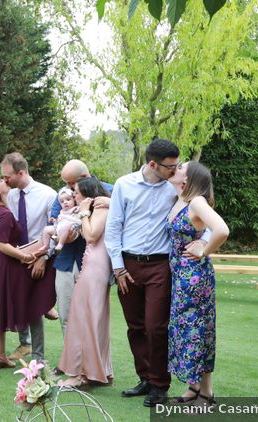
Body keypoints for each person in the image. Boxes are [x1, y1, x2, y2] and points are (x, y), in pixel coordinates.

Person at [105, 138, 180, 407]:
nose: (175, 170)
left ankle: (160, 384)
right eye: (171, 166)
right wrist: (118, 267)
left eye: (177, 165)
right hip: (128, 265)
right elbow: (113, 227)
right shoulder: (124, 185)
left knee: (156, 326)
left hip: (161, 265)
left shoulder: (175, 187)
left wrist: (204, 241)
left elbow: (199, 208)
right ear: (152, 164)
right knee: (135, 326)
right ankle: (146, 378)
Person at [166, 162, 229, 405]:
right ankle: (194, 388)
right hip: (181, 276)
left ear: (189, 177)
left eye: (181, 166)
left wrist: (204, 250)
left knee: (197, 331)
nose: (176, 167)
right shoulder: (181, 198)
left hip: (194, 277)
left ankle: (206, 393)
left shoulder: (196, 202)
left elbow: (221, 230)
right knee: (187, 330)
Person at [0, 175, 56, 368]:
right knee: (30, 297)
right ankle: (44, 310)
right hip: (6, 263)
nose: (5, 181)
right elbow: (1, 243)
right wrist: (25, 257)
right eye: (1, 181)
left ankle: (0, 355)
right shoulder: (4, 213)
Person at [57, 177, 113, 388]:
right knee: (94, 317)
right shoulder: (100, 206)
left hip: (95, 266)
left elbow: (91, 235)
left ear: (88, 195)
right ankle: (100, 372)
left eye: (77, 193)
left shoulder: (98, 208)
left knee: (83, 317)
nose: (74, 197)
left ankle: (80, 374)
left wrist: (82, 212)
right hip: (96, 263)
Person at [1, 152, 57, 361]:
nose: (4, 180)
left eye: (7, 176)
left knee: (35, 306)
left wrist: (43, 257)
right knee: (18, 301)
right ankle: (24, 344)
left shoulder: (48, 194)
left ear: (21, 172)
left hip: (40, 257)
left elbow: (55, 229)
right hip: (18, 255)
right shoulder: (13, 196)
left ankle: (38, 357)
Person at [51, 160, 113, 339]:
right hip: (67, 260)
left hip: (96, 263)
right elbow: (54, 220)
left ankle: (90, 362)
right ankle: (70, 362)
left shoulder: (111, 191)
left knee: (93, 316)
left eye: (71, 184)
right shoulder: (62, 194)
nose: (69, 189)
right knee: (66, 313)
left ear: (84, 177)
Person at [43, 187, 82, 254]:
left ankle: (60, 244)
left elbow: (79, 216)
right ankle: (46, 245)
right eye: (62, 201)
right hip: (60, 229)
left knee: (65, 225)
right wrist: (54, 220)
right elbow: (59, 221)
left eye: (68, 200)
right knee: (46, 229)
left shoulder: (76, 208)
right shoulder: (62, 211)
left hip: (72, 230)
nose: (65, 202)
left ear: (74, 200)